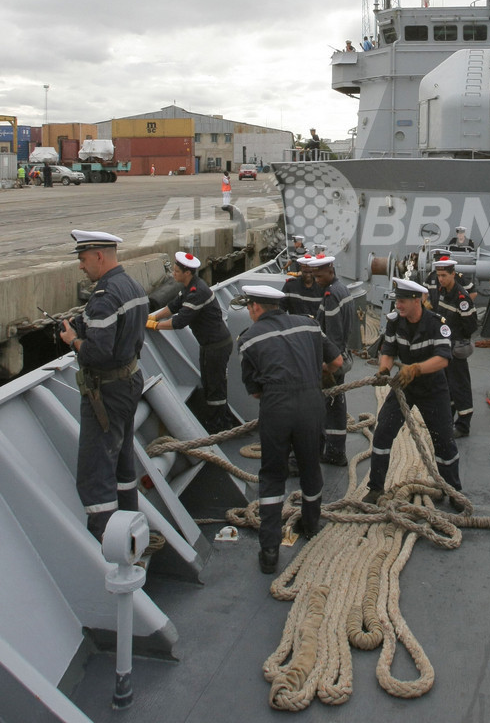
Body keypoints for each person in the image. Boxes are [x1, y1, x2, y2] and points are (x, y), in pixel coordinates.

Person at [237, 284, 343, 573]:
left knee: (272, 476)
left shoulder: (248, 339)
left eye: (249, 307)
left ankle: (270, 551)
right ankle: (311, 526)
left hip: (277, 407)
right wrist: (313, 374)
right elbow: (336, 361)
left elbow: (255, 392)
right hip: (312, 403)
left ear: (256, 308)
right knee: (311, 467)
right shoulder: (309, 326)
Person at [59, 230, 148, 541]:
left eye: (83, 259)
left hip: (107, 392)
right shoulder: (132, 285)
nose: (81, 266)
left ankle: (106, 547)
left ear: (99, 255)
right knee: (123, 461)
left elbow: (98, 353)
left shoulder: (105, 296)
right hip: (130, 382)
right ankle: (131, 532)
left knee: (96, 472)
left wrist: (73, 340)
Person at [363, 277, 463, 506]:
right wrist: (383, 370)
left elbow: (443, 359)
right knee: (382, 433)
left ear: (417, 300)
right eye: (397, 300)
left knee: (444, 442)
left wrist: (416, 369)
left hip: (433, 388)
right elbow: (387, 350)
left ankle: (454, 490)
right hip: (404, 387)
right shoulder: (395, 322)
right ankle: (375, 488)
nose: (398, 305)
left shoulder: (438, 324)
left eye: (403, 301)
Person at [146, 251, 235, 432]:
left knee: (215, 386)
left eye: (177, 271)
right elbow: (173, 307)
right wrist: (153, 317)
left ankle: (219, 426)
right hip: (209, 345)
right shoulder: (188, 288)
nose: (173, 274)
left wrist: (154, 326)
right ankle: (218, 421)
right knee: (209, 383)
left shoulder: (197, 292)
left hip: (217, 346)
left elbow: (179, 321)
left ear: (187, 273)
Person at [299, 253, 354, 465]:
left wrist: (328, 365)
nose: (316, 280)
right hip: (342, 355)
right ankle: (334, 450)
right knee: (336, 404)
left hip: (334, 360)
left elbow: (333, 335)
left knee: (331, 407)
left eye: (320, 276)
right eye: (314, 276)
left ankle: (334, 452)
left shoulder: (331, 296)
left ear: (331, 271)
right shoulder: (343, 289)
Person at [427, 256, 478, 437]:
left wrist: (458, 339)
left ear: (453, 275)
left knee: (460, 386)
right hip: (444, 347)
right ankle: (448, 419)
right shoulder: (442, 292)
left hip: (455, 349)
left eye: (444, 276)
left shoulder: (461, 297)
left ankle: (463, 425)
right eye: (439, 275)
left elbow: (471, 326)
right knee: (447, 384)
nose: (440, 279)